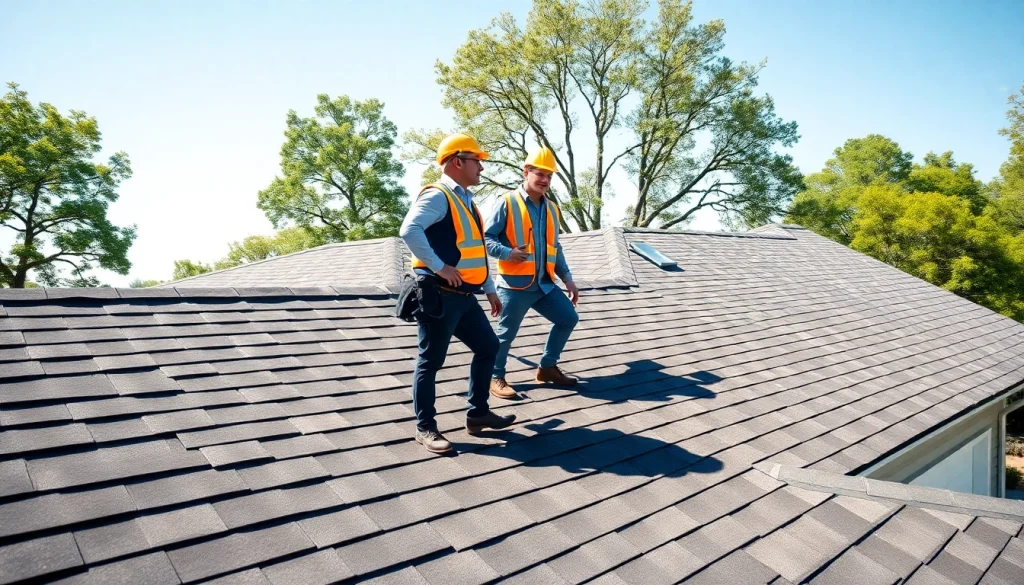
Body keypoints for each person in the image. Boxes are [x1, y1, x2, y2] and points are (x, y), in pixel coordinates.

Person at [398, 133, 517, 454]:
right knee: (430, 362)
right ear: (457, 162)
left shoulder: (466, 200)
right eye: (476, 160)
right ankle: (425, 428)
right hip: (439, 295)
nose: (481, 166)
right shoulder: (438, 196)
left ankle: (477, 414)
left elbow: (475, 250)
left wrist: (490, 289)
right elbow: (408, 230)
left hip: (465, 297)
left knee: (488, 346)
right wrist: (439, 266)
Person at [484, 146, 580, 399]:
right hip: (514, 286)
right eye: (540, 174)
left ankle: (547, 368)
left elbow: (554, 248)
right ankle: (495, 376)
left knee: (568, 318)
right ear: (526, 172)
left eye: (549, 176)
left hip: (544, 284)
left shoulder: (552, 209)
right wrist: (507, 253)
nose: (545, 180)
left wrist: (568, 279)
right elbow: (486, 239)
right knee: (505, 335)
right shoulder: (505, 202)